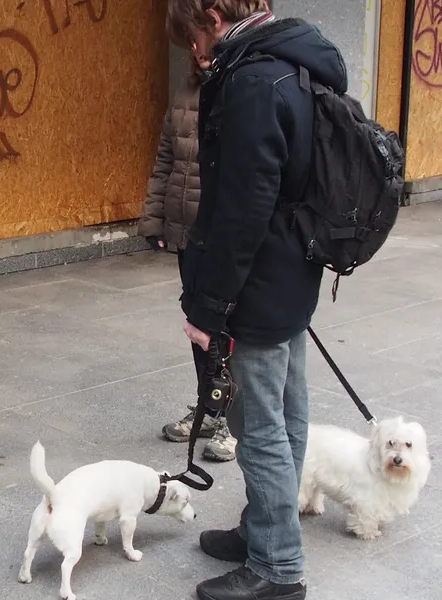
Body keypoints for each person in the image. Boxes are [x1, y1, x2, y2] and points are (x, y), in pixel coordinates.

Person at [166, 1, 348, 599]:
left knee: (259, 425)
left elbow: (242, 209)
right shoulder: (298, 59)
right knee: (288, 414)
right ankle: (265, 528)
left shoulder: (250, 79)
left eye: (193, 36)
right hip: (294, 268)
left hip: (258, 279)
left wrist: (209, 306)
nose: (196, 52)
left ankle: (277, 566)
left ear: (213, 14)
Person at [138, 52, 237, 462]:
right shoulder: (187, 87)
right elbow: (166, 158)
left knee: (229, 328)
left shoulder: (241, 88)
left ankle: (235, 420)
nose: (197, 50)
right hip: (187, 230)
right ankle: (210, 407)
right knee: (199, 328)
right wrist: (154, 218)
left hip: (224, 233)